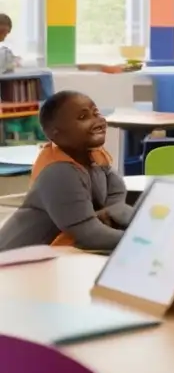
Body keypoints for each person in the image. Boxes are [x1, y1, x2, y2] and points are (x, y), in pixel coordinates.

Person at [0, 91, 133, 252]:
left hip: (60, 258)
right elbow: (89, 234)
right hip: (15, 263)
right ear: (56, 133)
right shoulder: (58, 172)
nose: (97, 121)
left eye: (96, 113)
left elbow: (116, 208)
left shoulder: (97, 161)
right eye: (83, 118)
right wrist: (143, 240)